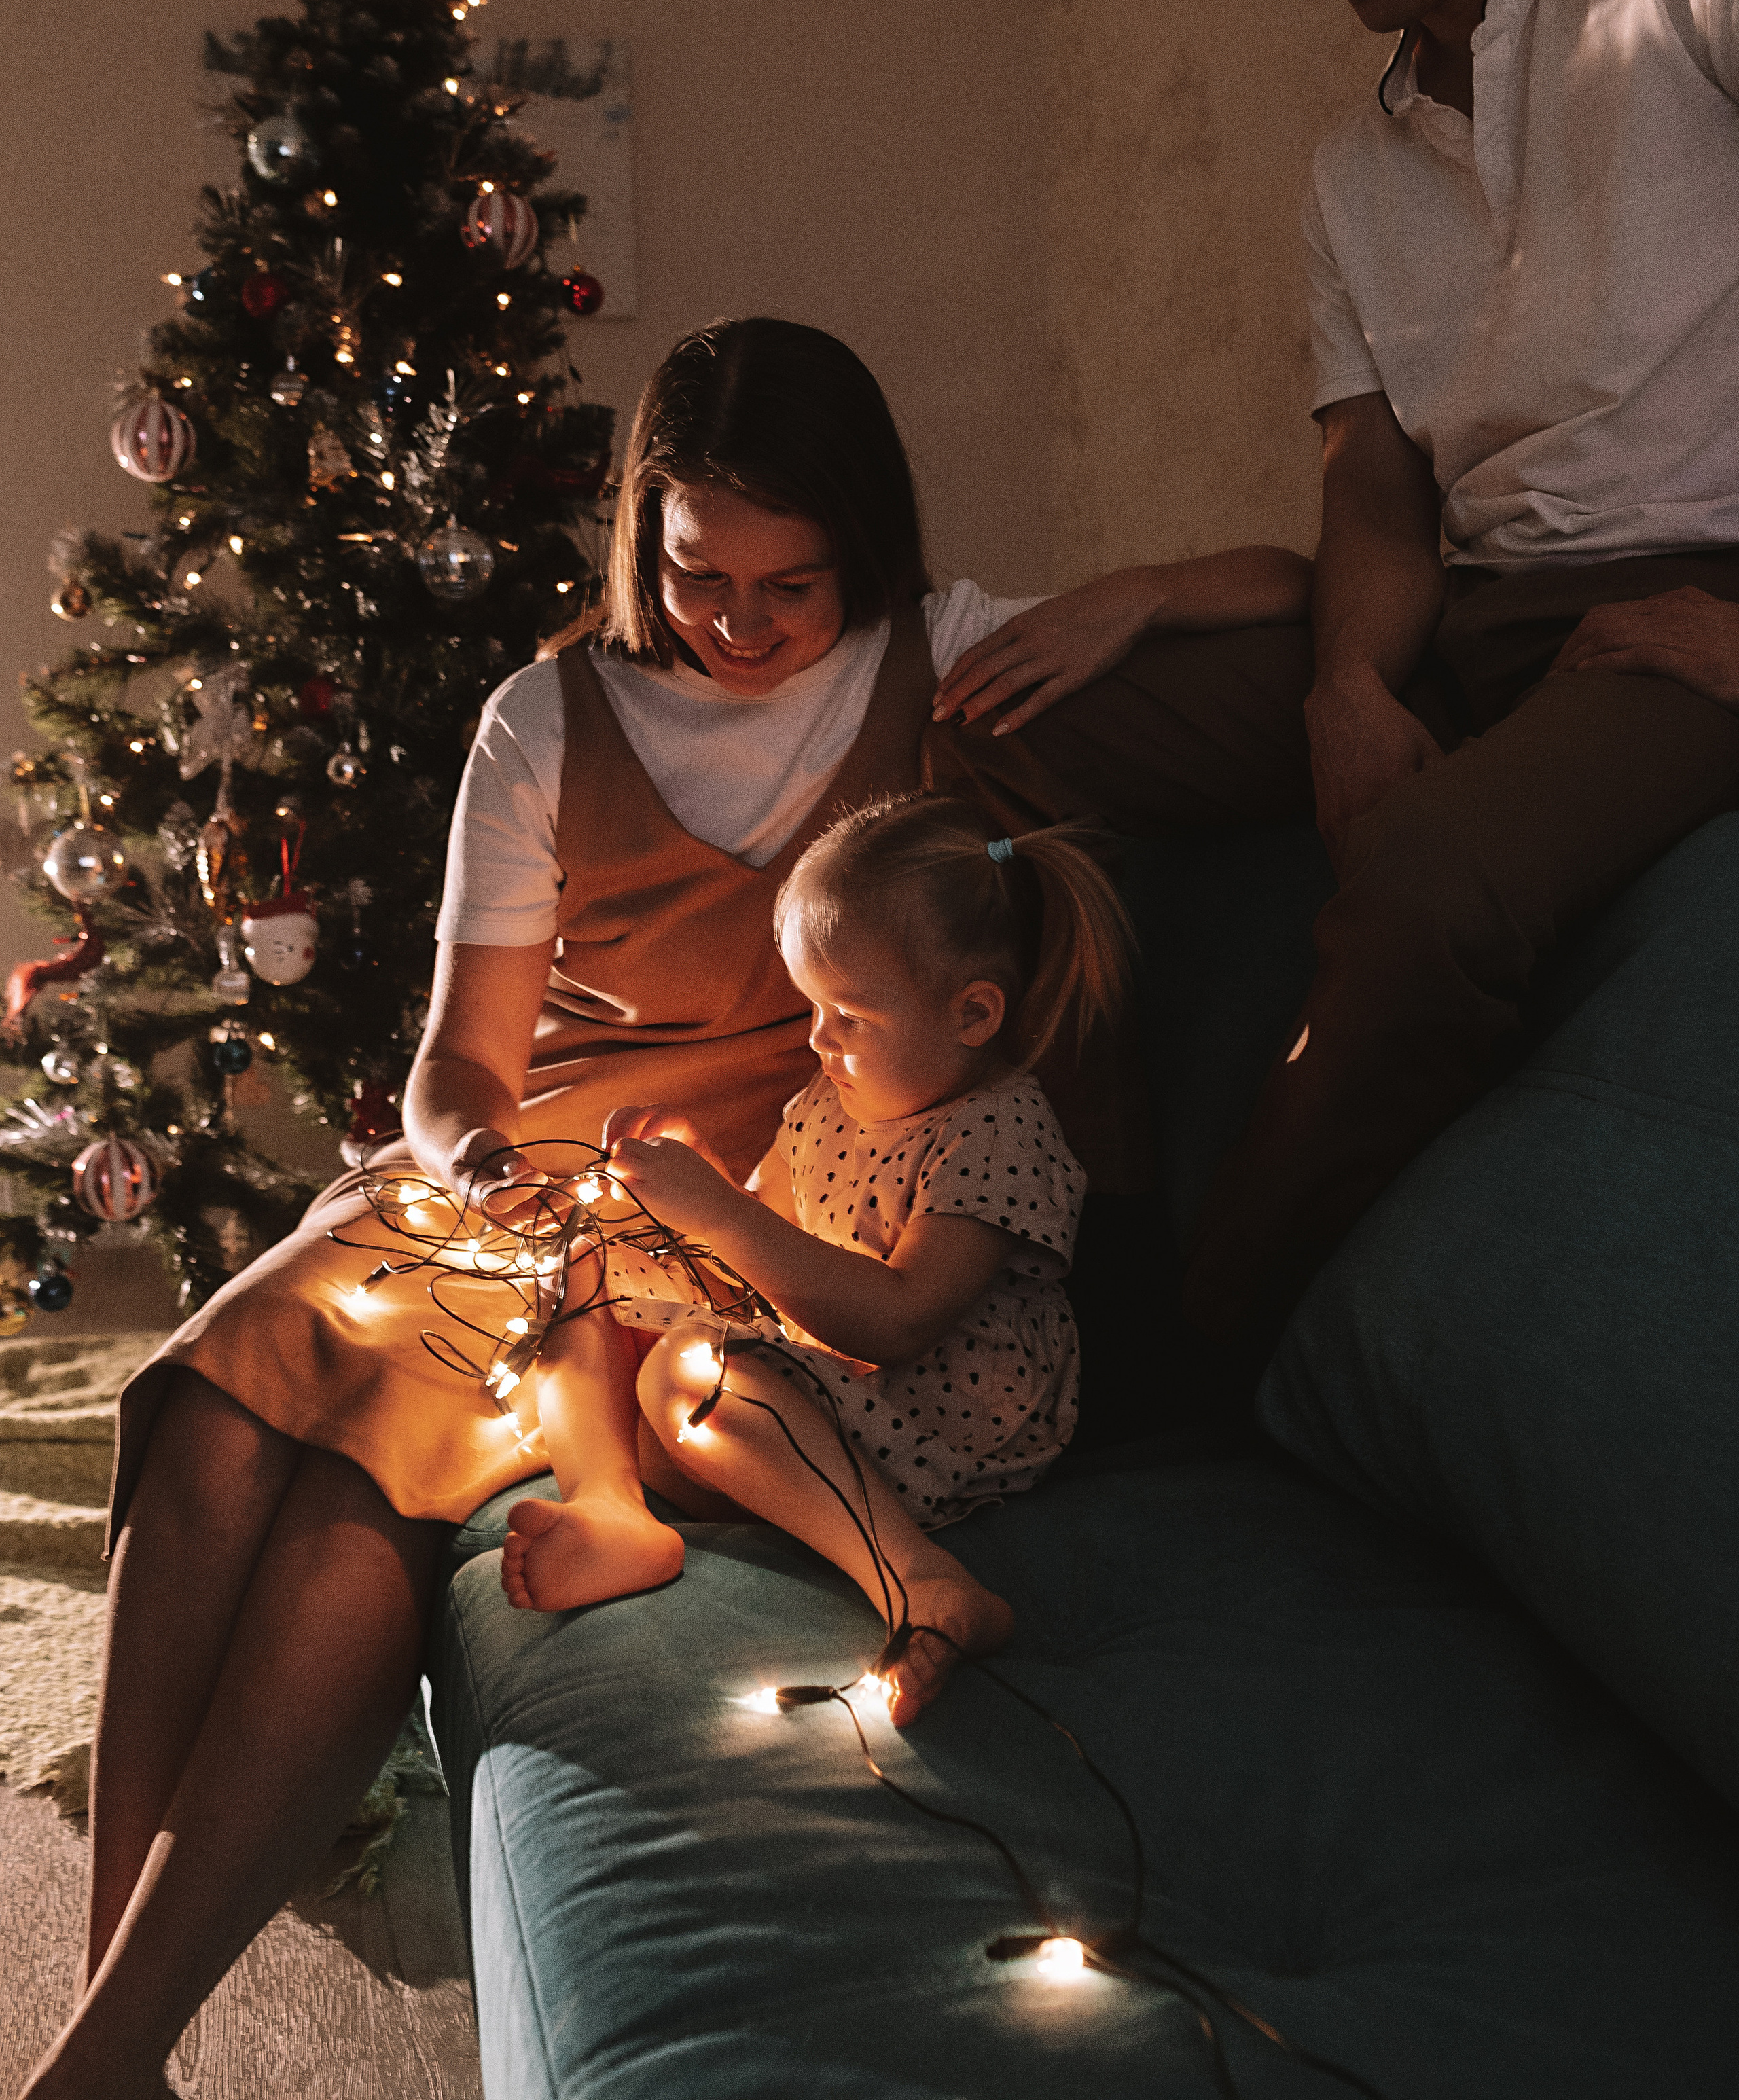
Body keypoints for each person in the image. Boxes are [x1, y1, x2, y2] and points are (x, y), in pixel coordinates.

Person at [29, 318, 1305, 2099]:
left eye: (792, 585)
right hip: (504, 1179)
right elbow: (455, 1070)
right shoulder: (544, 718)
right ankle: (108, 2036)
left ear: (862, 549)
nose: (741, 625)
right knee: (213, 1409)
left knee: (349, 1500)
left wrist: (1140, 594)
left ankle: (104, 2059)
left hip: (716, 1220)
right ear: (645, 536)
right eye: (699, 575)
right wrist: (479, 1175)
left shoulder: (938, 661)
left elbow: (1287, 601)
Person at [930, 0, 1739, 1345]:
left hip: (1680, 612)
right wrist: (1348, 687)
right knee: (987, 726)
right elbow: (1369, 494)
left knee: (1425, 882)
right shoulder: (1349, 173)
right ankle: (1064, 1231)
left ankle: (1192, 1337)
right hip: (1462, 617)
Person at [497, 791, 1130, 1728]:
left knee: (694, 1378)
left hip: (936, 1414)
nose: (819, 1039)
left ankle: (916, 1576)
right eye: (813, 1007)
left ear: (973, 1014)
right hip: (813, 1372)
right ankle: (609, 1510)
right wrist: (699, 1180)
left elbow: (901, 1322)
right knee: (581, 1259)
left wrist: (718, 1215)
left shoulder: (997, 1133)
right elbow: (771, 1239)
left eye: (850, 1016)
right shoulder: (831, 1098)